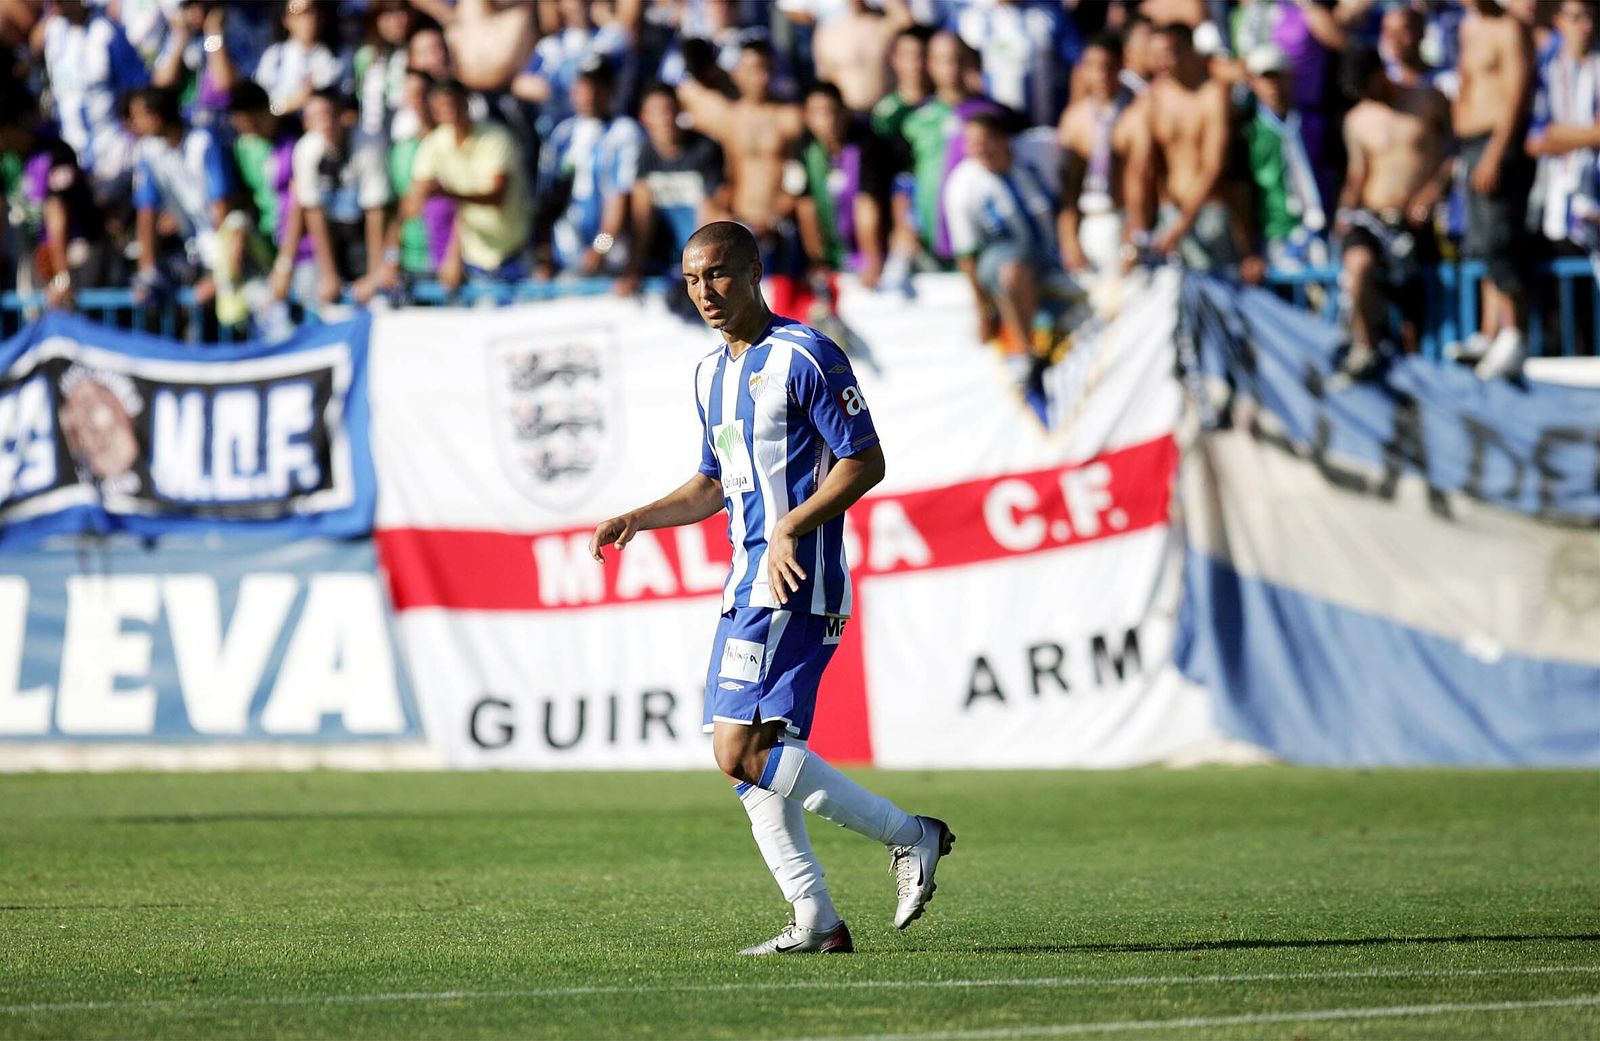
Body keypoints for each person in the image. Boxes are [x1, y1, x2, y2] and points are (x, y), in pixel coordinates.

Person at [587, 220, 954, 956]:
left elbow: (865, 460)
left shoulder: (807, 355)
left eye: (718, 274)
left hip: (796, 580)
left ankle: (911, 834)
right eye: (692, 280)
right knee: (744, 757)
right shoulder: (707, 374)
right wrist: (641, 516)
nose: (705, 292)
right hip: (744, 582)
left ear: (754, 271)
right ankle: (815, 916)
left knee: (740, 749)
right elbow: (712, 484)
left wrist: (792, 525)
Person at [1334, 45, 1451, 377]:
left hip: (1416, 224)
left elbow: (1454, 154)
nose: (1367, 95)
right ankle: (1364, 346)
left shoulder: (1427, 101)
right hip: (1372, 217)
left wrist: (1432, 191)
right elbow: (1358, 176)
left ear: (1380, 72)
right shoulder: (1358, 119)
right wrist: (1344, 211)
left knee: (1413, 318)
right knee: (1357, 265)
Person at [381, 77, 530, 290]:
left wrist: (447, 194)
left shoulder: (496, 138)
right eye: (441, 107)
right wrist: (390, 256)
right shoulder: (434, 144)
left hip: (513, 252)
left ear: (466, 103)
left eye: (452, 104)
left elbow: (497, 197)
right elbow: (410, 204)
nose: (448, 111)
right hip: (474, 260)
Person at [1125, 23, 1250, 275]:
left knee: (1216, 303)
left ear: (1189, 50)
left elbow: (1214, 164)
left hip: (1209, 214)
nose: (1162, 62)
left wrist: (1183, 223)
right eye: (1156, 54)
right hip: (1169, 214)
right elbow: (1139, 166)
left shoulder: (1213, 95)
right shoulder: (1152, 99)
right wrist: (1137, 227)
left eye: (1169, 53)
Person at [1454, 0, 1535, 379]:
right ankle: (1490, 332)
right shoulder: (1468, 27)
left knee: (1499, 240)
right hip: (1469, 145)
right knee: (1478, 242)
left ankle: (1516, 332)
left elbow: (1517, 92)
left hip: (1496, 145)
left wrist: (1495, 153)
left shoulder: (1510, 29)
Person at [944, 111, 1062, 354]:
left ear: (1004, 139)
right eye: (973, 144)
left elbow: (1074, 159)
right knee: (1012, 271)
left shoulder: (1039, 151)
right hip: (998, 254)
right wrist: (981, 309)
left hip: (1049, 247)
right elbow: (966, 254)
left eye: (986, 141)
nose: (981, 150)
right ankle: (1024, 350)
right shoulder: (962, 186)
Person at [1525, 0, 1599, 352]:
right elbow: (1535, 140)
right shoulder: (1548, 69)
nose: (1585, 26)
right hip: (1561, 202)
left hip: (1594, 197)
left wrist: (1559, 135)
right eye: (1576, 18)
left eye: (1590, 18)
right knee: (1570, 299)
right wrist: (1585, 134)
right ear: (1559, 22)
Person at [677, 39, 804, 242]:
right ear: (737, 74)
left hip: (779, 223)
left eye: (765, 69)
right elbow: (731, 172)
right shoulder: (729, 119)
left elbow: (799, 175)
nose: (760, 78)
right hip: (740, 221)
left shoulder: (790, 118)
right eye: (751, 70)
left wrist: (780, 213)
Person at [127, 85, 237, 313]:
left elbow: (223, 208)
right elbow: (146, 212)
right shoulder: (148, 151)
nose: (133, 123)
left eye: (138, 116)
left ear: (156, 118)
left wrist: (219, 272)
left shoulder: (203, 142)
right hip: (190, 249)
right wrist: (147, 272)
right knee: (145, 292)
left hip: (223, 248)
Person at [617, 83, 728, 297]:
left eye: (668, 110)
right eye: (656, 112)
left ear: (679, 111)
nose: (664, 119)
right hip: (663, 258)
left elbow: (713, 209)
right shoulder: (644, 155)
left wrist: (698, 268)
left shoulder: (705, 149)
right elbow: (642, 217)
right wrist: (633, 268)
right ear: (644, 117)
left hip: (701, 255)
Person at [536, 56, 644, 276]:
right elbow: (548, 200)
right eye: (584, 86)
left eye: (597, 86)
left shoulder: (624, 132)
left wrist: (600, 248)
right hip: (567, 257)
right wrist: (544, 254)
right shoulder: (562, 134)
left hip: (611, 260)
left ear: (610, 90)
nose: (590, 94)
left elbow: (621, 196)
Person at [789, 82, 899, 289]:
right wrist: (817, 261)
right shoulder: (804, 150)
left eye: (831, 112)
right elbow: (806, 208)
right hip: (830, 251)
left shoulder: (867, 147)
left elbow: (867, 205)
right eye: (818, 113)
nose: (827, 121)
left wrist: (872, 260)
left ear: (844, 113)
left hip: (865, 251)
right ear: (808, 118)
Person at [291, 89, 391, 305]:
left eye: (328, 114)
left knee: (377, 297)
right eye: (315, 118)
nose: (324, 123)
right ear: (307, 123)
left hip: (364, 235)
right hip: (335, 237)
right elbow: (313, 213)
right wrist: (329, 274)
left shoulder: (368, 144)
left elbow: (376, 210)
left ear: (344, 116)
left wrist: (374, 275)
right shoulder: (306, 150)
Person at [37, 0, 148, 187]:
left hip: (114, 153)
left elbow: (137, 88)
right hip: (73, 153)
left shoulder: (106, 31)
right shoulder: (53, 33)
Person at [1242, 43, 1327, 273]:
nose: (1273, 86)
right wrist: (1249, 249)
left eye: (1279, 77)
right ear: (1252, 82)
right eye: (1266, 78)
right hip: (1273, 236)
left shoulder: (1314, 123)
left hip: (1319, 233)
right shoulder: (1248, 131)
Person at [1057, 32, 1130, 284]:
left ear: (1121, 66)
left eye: (1107, 67)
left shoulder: (1136, 112)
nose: (1100, 75)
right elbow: (1068, 188)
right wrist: (1068, 239)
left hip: (1124, 218)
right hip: (1091, 219)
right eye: (1093, 67)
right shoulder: (1075, 119)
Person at [810, 0, 914, 114]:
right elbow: (825, 81)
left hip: (886, 114)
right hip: (849, 118)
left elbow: (907, 21)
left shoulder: (884, 26)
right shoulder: (829, 33)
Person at [253, 0, 346, 117]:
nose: (308, 19)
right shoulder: (274, 55)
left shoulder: (335, 56)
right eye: (298, 13)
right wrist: (285, 107)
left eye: (311, 11)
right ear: (286, 19)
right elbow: (261, 103)